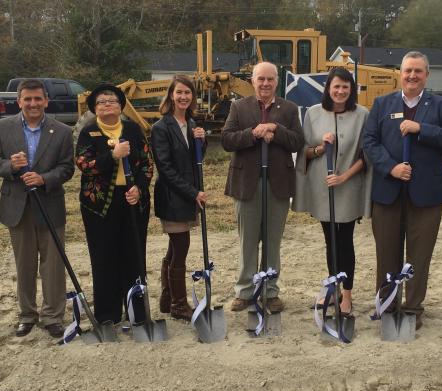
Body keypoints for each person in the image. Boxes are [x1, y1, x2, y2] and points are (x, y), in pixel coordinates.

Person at [361, 51, 442, 330]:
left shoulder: (441, 105)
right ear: (400, 73)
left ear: (426, 75)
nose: (412, 76)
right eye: (408, 71)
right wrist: (390, 168)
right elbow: (369, 142)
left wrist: (422, 128)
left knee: (419, 256)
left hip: (426, 194)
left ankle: (413, 308)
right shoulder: (382, 104)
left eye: (418, 71)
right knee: (387, 254)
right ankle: (388, 303)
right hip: (388, 191)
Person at [0, 79, 75, 338]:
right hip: (17, 206)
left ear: (46, 100)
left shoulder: (62, 131)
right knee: (24, 264)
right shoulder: (1, 127)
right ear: (19, 101)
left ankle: (52, 316)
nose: (33, 104)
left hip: (50, 204)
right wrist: (10, 167)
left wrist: (44, 178)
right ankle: (27, 315)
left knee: (53, 264)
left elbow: (67, 168)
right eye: (27, 99)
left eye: (38, 99)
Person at [221, 62, 305, 312]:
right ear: (253, 80)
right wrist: (254, 133)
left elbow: (297, 142)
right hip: (247, 184)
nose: (265, 84)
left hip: (277, 184)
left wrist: (276, 130)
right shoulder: (238, 107)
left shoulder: (289, 109)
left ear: (276, 82)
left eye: (270, 79)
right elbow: (226, 140)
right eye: (261, 79)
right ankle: (245, 291)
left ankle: (269, 291)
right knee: (248, 241)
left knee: (272, 241)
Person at [292, 67, 371, 315]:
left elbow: (366, 154)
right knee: (330, 241)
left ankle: (347, 293)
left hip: (349, 187)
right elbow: (303, 150)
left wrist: (345, 176)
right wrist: (319, 148)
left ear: (351, 89)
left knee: (345, 241)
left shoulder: (363, 115)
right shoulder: (313, 114)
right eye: (336, 86)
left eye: (345, 87)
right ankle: (333, 286)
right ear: (328, 88)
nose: (340, 91)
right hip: (322, 188)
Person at [75, 83, 151, 325]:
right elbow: (84, 165)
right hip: (100, 206)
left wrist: (138, 188)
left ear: (121, 106)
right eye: (101, 102)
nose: (107, 105)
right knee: (104, 258)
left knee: (134, 256)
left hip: (132, 201)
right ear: (95, 109)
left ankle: (137, 313)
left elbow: (146, 164)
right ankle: (107, 315)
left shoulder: (133, 129)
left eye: (112, 101)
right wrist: (113, 156)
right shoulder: (88, 132)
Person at [150, 75, 206, 321]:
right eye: (179, 92)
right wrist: (193, 192)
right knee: (181, 247)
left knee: (175, 248)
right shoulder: (161, 128)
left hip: (187, 195)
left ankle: (166, 296)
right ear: (171, 95)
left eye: (188, 93)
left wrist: (201, 142)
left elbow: (196, 161)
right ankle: (179, 304)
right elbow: (166, 168)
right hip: (173, 197)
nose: (184, 97)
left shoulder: (192, 123)